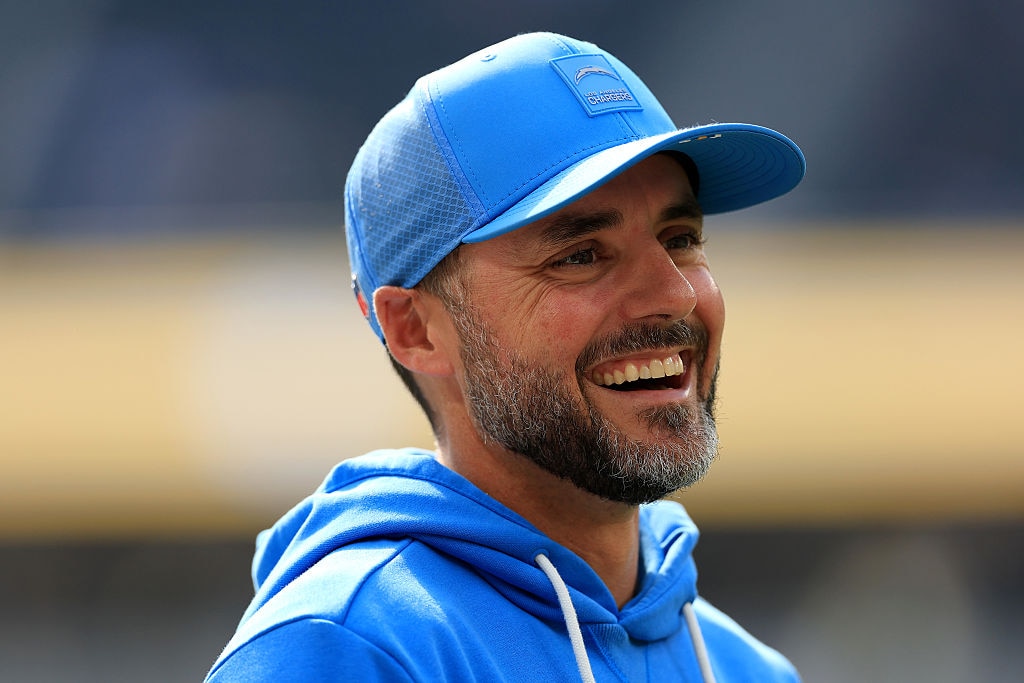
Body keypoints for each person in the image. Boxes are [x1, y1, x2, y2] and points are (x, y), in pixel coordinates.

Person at [206, 31, 806, 682]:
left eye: (681, 237)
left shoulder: (748, 668)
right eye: (580, 255)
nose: (674, 293)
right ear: (415, 329)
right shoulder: (342, 650)